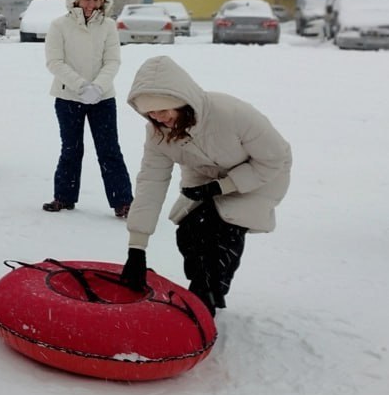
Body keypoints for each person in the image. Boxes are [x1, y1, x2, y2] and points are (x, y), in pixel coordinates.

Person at [120, 54, 292, 315]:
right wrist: (137, 249)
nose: (158, 117)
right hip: (206, 177)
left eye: (163, 110)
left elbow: (274, 159)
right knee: (189, 232)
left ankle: (206, 296)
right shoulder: (157, 132)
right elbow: (151, 182)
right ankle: (201, 285)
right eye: (150, 113)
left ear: (182, 103)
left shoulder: (231, 113)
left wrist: (222, 187)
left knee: (220, 231)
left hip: (260, 176)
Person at [42, 0, 134, 216]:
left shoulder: (109, 27)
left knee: (109, 150)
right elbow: (54, 62)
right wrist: (82, 86)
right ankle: (64, 197)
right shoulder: (59, 26)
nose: (91, 4)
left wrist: (98, 88)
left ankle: (123, 202)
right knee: (71, 149)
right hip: (68, 97)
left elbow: (112, 61)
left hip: (102, 99)